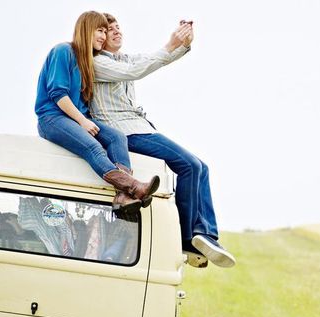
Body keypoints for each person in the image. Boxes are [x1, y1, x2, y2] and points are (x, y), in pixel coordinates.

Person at [90, 14, 236, 269]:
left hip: (140, 128)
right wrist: (171, 44)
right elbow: (136, 71)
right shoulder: (97, 63)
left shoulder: (123, 59)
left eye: (117, 28)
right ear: (97, 38)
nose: (114, 32)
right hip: (126, 132)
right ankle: (188, 238)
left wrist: (181, 44)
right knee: (189, 165)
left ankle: (206, 235)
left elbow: (150, 61)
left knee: (201, 166)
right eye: (106, 30)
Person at [35, 11, 160, 214]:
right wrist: (83, 122)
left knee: (117, 137)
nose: (103, 36)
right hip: (52, 117)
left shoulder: (87, 61)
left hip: (77, 118)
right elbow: (58, 94)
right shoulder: (63, 51)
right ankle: (134, 187)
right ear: (86, 30)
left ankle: (123, 197)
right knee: (93, 147)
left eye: (105, 31)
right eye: (99, 30)